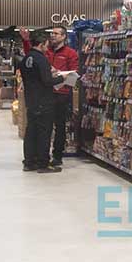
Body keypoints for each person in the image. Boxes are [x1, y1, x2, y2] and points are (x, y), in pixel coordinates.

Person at [19, 29, 66, 173]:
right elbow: (47, 81)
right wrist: (62, 78)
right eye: (46, 44)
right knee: (44, 132)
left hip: (31, 100)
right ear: (41, 44)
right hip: (44, 101)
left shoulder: (26, 59)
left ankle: (29, 162)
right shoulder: (41, 59)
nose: (47, 47)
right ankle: (43, 163)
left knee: (31, 131)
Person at [44, 26, 79, 168]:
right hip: (46, 93)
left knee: (60, 126)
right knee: (45, 125)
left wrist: (58, 73)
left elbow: (74, 74)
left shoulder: (70, 53)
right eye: (52, 33)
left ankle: (57, 156)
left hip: (62, 94)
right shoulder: (46, 51)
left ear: (64, 36)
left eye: (56, 33)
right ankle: (43, 155)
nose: (53, 36)